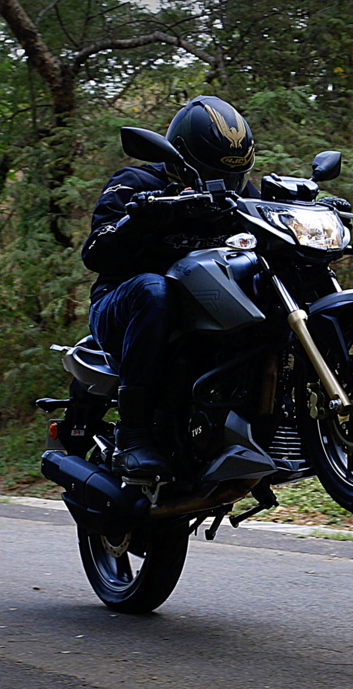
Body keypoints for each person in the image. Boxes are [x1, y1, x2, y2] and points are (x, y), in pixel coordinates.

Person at [81, 96, 259, 482]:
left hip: (203, 310)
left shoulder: (242, 196)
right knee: (154, 288)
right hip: (120, 305)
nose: (226, 186)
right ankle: (134, 436)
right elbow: (95, 253)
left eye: (235, 176)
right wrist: (141, 219)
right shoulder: (138, 183)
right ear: (180, 157)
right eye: (213, 174)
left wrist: (309, 206)